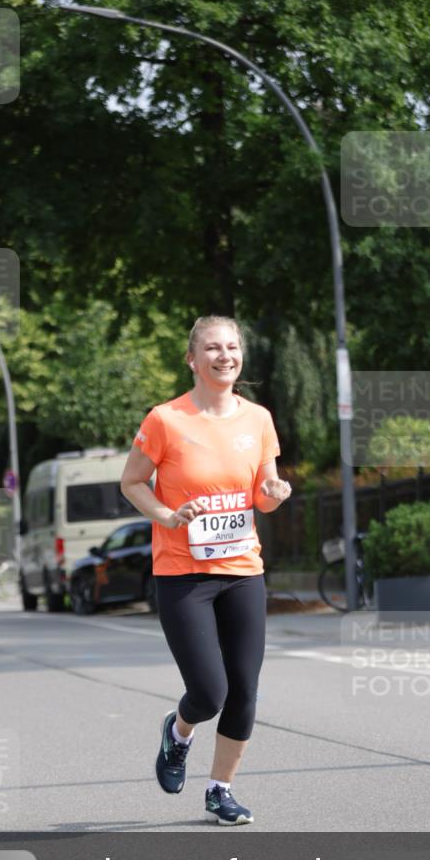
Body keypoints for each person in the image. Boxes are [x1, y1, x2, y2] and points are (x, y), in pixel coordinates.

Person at [121, 315, 291, 825]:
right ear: (192, 359)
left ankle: (220, 790)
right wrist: (169, 516)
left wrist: (274, 495)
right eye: (213, 348)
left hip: (242, 568)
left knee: (244, 687)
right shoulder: (165, 420)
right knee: (209, 692)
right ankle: (178, 732)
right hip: (183, 573)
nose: (225, 356)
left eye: (232, 347)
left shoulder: (258, 419)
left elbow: (264, 492)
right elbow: (132, 483)